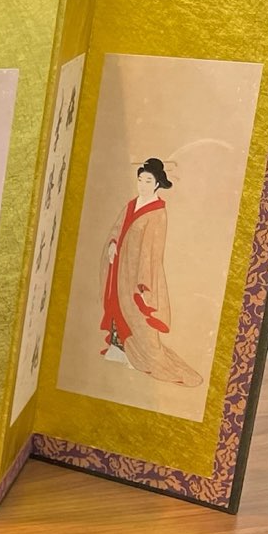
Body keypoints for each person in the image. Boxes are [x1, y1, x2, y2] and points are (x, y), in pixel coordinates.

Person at [99, 157, 200, 385]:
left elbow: (153, 251)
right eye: (140, 180)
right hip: (120, 268)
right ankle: (119, 349)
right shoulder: (131, 205)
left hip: (138, 274)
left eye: (148, 181)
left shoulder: (158, 213)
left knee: (137, 314)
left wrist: (144, 283)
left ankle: (140, 357)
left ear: (156, 184)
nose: (143, 185)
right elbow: (117, 229)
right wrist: (113, 243)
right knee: (118, 307)